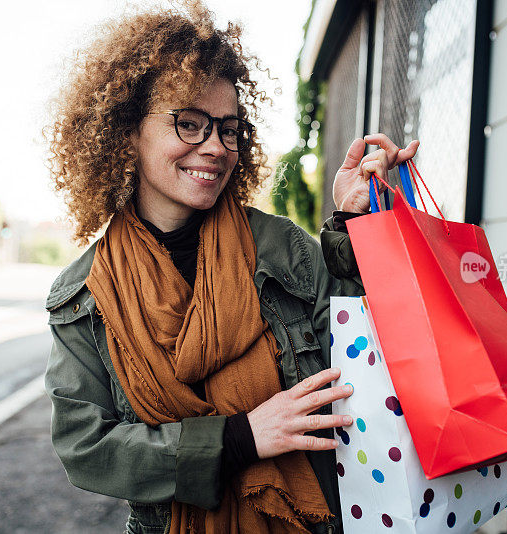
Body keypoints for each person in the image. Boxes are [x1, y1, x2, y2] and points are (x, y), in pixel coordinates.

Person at [43, 4, 419, 533]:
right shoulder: (83, 296)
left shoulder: (281, 248)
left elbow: (360, 357)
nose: (215, 147)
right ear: (128, 130)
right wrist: (240, 438)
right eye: (189, 124)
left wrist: (352, 224)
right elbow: (87, 449)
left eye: (228, 129)